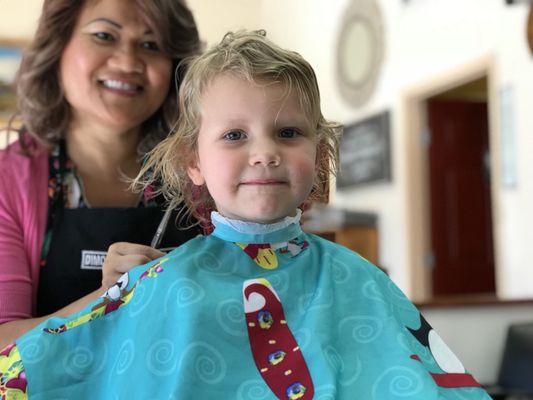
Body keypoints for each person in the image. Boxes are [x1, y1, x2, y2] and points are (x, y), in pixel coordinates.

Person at [0, 30, 490, 399]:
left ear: (320, 157)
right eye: (235, 136)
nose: (264, 153)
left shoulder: (360, 280)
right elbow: (34, 369)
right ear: (193, 161)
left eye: (289, 133)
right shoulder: (160, 281)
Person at [0, 0, 201, 349]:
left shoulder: (203, 173)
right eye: (104, 35)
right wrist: (106, 299)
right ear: (58, 46)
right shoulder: (7, 180)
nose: (127, 62)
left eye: (151, 45)